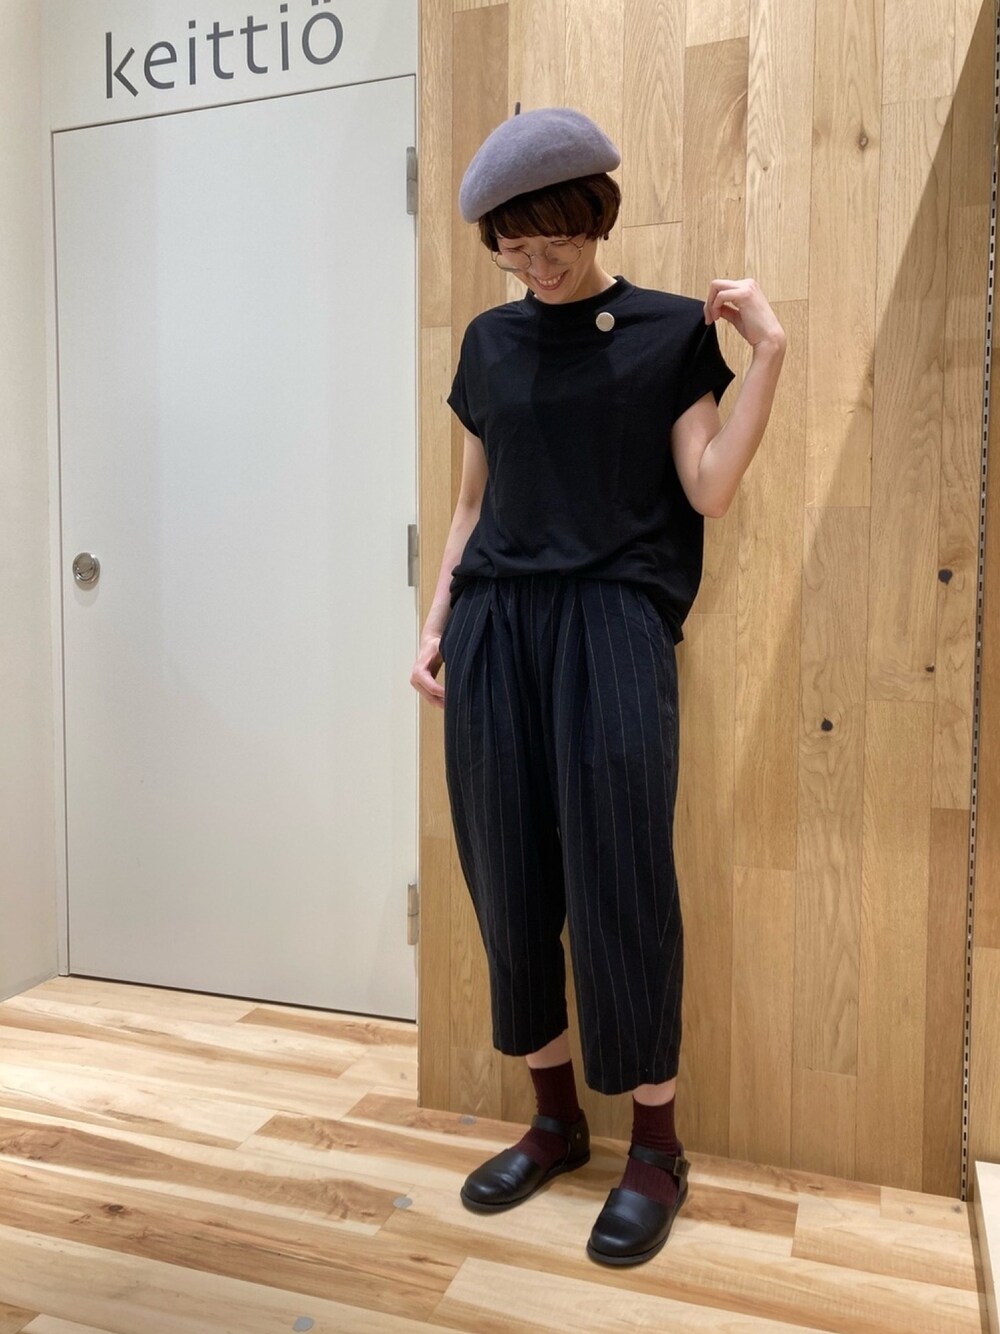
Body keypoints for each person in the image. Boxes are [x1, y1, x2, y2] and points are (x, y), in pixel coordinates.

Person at [410, 105, 786, 1267]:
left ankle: (656, 1146)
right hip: (494, 626)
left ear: (596, 216)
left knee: (621, 874)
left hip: (615, 623)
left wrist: (769, 354)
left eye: (554, 242)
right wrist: (434, 623)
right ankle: (555, 1118)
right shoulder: (490, 341)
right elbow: (471, 503)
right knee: (508, 874)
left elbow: (709, 486)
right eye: (514, 250)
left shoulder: (668, 333)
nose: (537, 266)